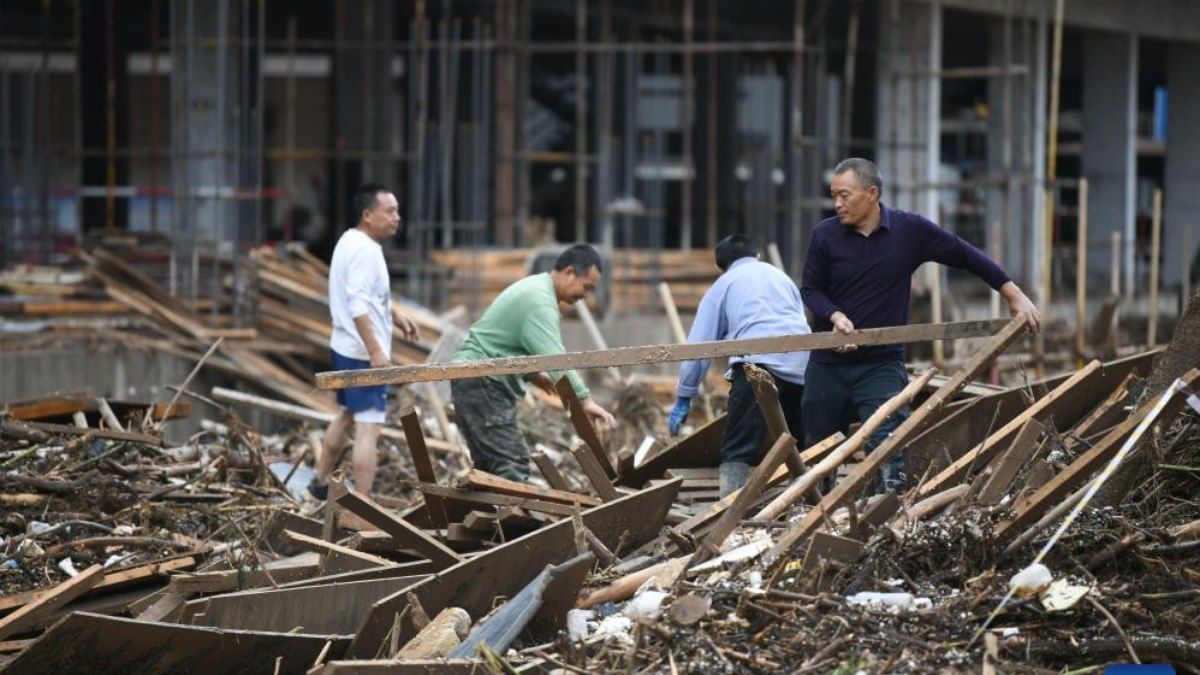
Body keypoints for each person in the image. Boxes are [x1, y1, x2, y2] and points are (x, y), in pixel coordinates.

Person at [800, 158, 1041, 493]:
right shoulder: (825, 235)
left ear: (872, 193)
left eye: (844, 195)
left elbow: (964, 254)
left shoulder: (909, 231)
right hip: (828, 364)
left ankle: (885, 513)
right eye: (833, 196)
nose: (837, 204)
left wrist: (1013, 294)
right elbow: (810, 290)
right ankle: (815, 515)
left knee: (889, 451)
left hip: (880, 365)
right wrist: (835, 316)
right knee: (818, 455)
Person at [451, 244, 618, 482]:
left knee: (489, 470)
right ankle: (509, 509)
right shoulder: (540, 302)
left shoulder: (536, 288)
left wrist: (532, 375)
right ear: (569, 272)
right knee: (512, 466)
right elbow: (555, 359)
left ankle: (484, 507)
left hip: (473, 379)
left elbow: (504, 344)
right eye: (587, 287)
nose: (586, 296)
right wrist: (584, 399)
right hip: (482, 381)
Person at [667, 234, 812, 497]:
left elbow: (699, 346)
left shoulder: (724, 284)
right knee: (800, 443)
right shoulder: (782, 278)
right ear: (758, 256)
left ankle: (729, 512)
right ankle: (807, 506)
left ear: (721, 266)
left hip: (757, 366)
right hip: (803, 364)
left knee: (737, 449)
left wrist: (684, 396)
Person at [309, 183, 419, 501]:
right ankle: (364, 503)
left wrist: (394, 314)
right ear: (368, 215)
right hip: (361, 351)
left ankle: (319, 481)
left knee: (346, 415)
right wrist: (375, 351)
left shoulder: (352, 241)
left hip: (345, 346)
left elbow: (368, 295)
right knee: (368, 426)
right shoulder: (364, 251)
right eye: (390, 211)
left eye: (397, 210)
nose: (397, 217)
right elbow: (357, 305)